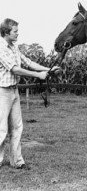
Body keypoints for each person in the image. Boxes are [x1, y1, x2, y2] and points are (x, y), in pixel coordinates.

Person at [0, 18, 60, 170]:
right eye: (15, 31)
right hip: (2, 92)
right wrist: (37, 75)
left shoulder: (14, 46)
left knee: (17, 127)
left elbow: (28, 62)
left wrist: (47, 70)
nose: (18, 34)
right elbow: (15, 69)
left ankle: (17, 161)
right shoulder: (1, 47)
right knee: (2, 129)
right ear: (6, 32)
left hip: (14, 90)